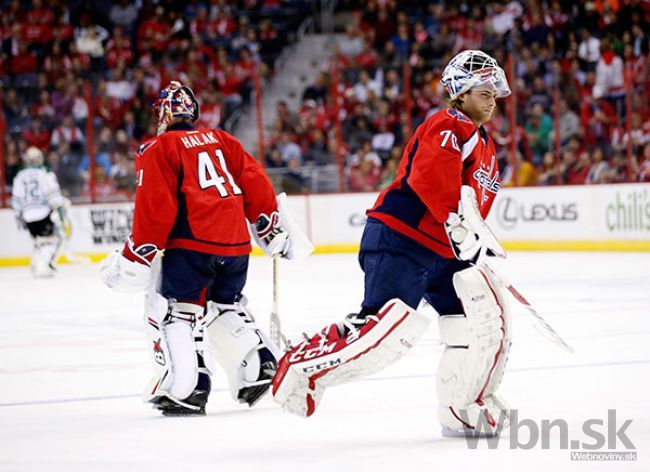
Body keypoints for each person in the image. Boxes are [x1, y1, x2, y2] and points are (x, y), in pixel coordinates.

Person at [272, 50, 514, 437]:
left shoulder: (485, 144)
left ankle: (461, 406)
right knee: (382, 330)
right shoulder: (450, 123)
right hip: (403, 238)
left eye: (494, 92)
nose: (492, 99)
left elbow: (472, 204)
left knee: (479, 321)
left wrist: (472, 238)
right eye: (483, 91)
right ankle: (300, 364)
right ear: (460, 93)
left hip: (443, 251)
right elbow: (432, 178)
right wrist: (457, 224)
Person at [100, 81, 303, 416]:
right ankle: (258, 365)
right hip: (237, 247)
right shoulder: (222, 139)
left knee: (176, 312)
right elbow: (257, 183)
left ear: (164, 113)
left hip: (192, 246)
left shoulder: (158, 147)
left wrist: (135, 258)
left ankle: (188, 388)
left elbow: (155, 211)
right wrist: (270, 227)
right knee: (225, 305)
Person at [12, 146, 70, 278]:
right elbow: (53, 194)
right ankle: (42, 267)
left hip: (27, 214)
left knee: (39, 241)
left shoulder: (19, 175)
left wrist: (18, 216)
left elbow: (16, 199)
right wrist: (60, 209)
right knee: (53, 240)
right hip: (42, 212)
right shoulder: (45, 172)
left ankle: (35, 263)